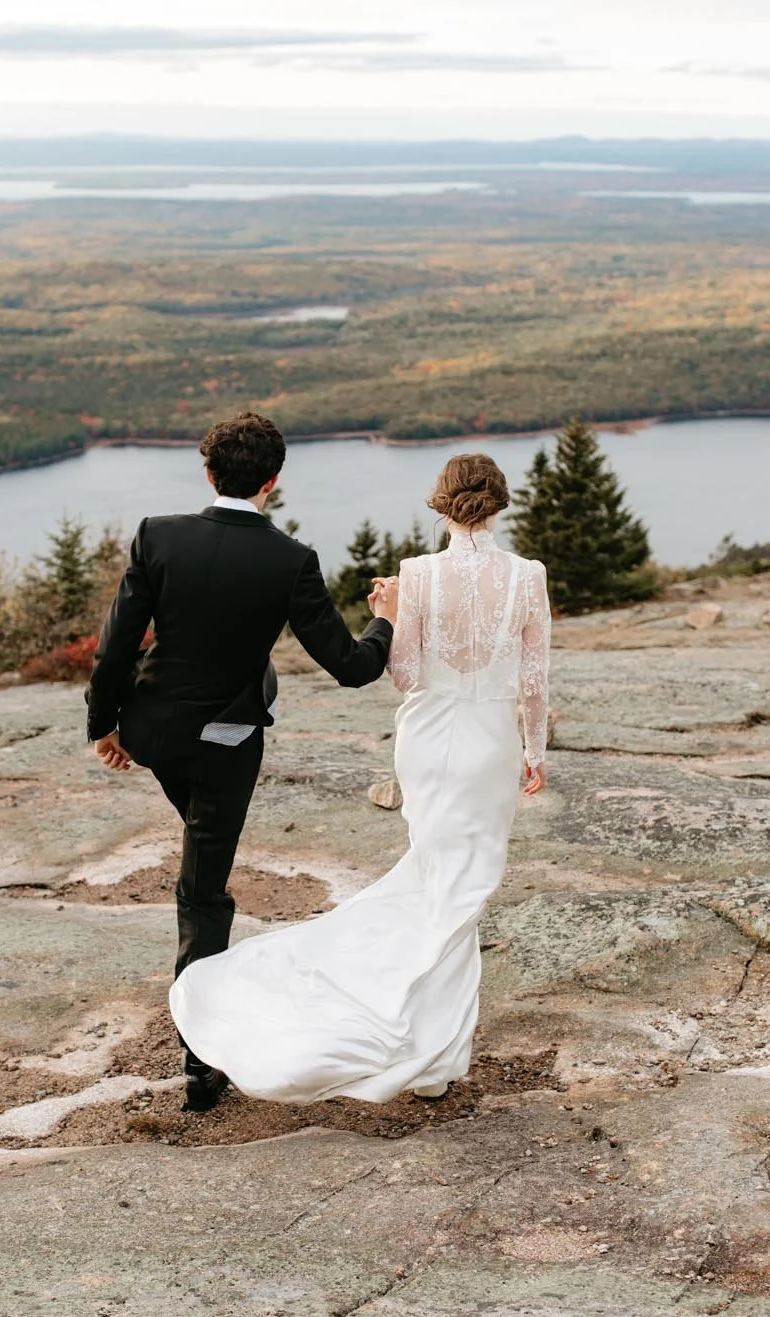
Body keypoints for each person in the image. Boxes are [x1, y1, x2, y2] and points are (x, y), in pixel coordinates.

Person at [169, 452, 550, 1104]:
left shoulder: (417, 575)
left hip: (427, 739)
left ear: (443, 503)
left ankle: (435, 1051)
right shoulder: (529, 575)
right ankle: (433, 1057)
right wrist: (533, 751)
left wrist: (390, 612)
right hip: (489, 743)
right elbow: (535, 680)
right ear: (500, 503)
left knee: (440, 878)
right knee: (465, 887)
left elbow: (402, 676)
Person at [86, 411, 395, 1112]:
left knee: (202, 859)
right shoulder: (290, 561)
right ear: (273, 481)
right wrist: (388, 620)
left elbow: (116, 645)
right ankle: (202, 1059)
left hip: (155, 735)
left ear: (208, 472)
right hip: (226, 745)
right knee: (203, 890)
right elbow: (350, 668)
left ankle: (208, 1021)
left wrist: (107, 726)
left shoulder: (157, 535)